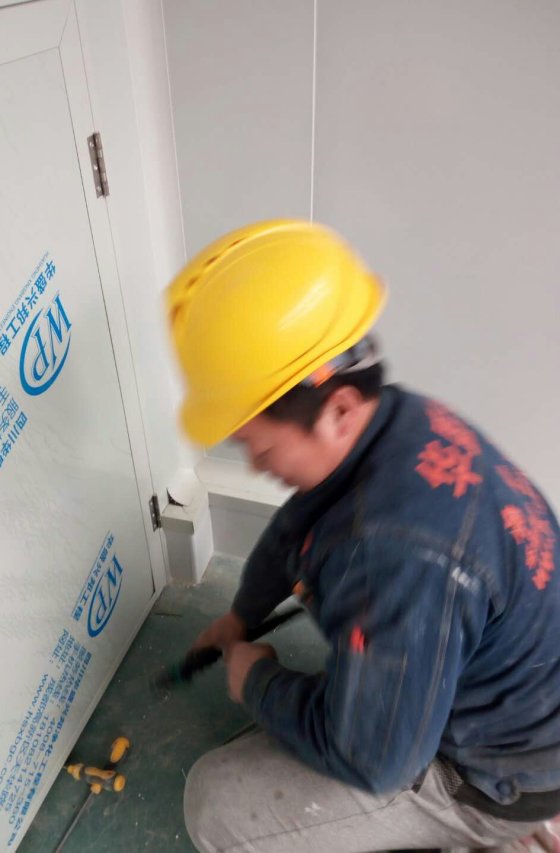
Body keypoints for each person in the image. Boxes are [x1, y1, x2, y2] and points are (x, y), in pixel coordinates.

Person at [165, 219, 560, 852]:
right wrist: (242, 615)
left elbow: (377, 761)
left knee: (217, 805)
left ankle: (491, 838)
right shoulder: (398, 421)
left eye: (259, 446)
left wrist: (258, 681)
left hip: (494, 777)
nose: (256, 464)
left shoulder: (392, 556)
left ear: (339, 410)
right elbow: (296, 525)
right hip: (517, 697)